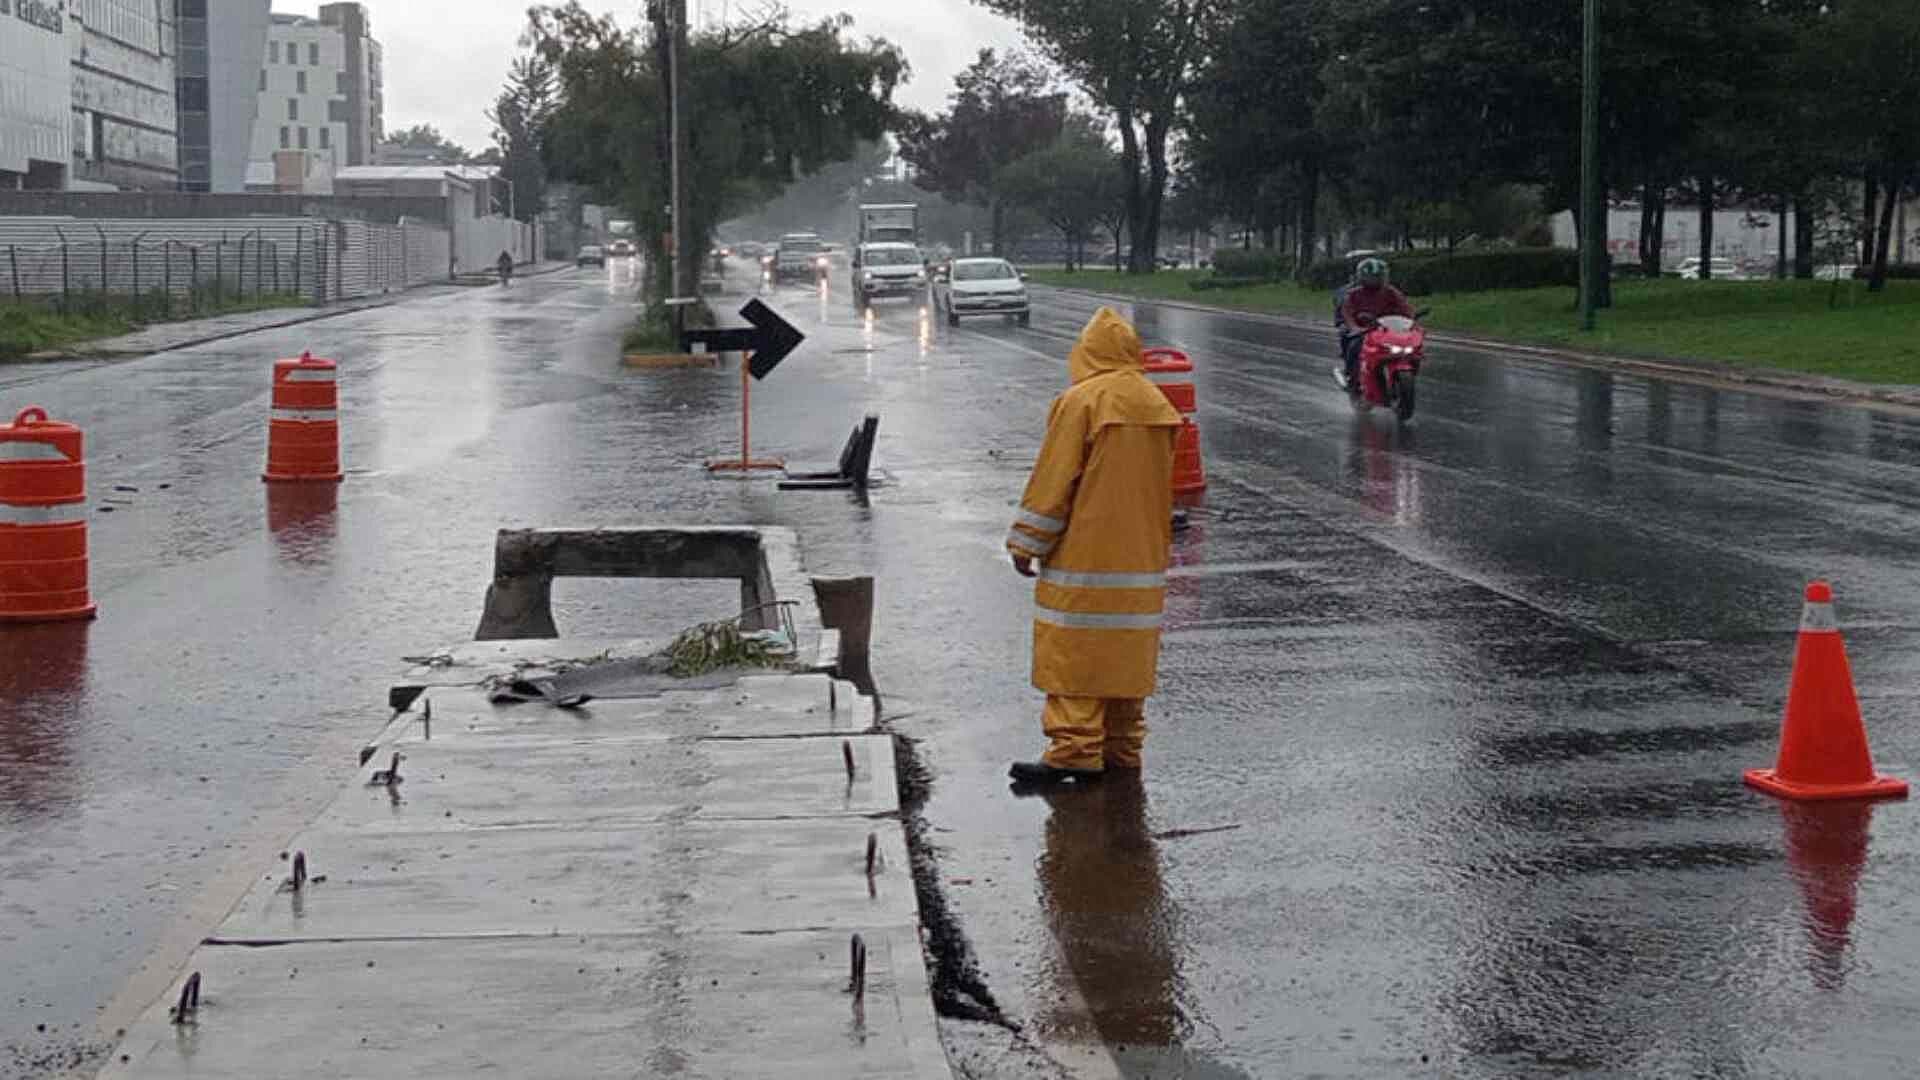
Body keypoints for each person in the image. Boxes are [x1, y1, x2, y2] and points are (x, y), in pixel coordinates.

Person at [1006, 307, 1182, 787]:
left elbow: (1054, 481)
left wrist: (1025, 542)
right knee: (1125, 652)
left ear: (1087, 352)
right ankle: (1122, 748)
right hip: (1141, 557)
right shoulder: (1156, 403)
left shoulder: (1082, 402)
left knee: (1075, 654)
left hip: (1085, 555)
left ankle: (1075, 750)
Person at [1337, 257, 1414, 390]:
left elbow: (1405, 307)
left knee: (1409, 345)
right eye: (1371, 277)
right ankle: (1351, 376)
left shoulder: (1391, 292)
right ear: (1361, 277)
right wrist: (1354, 327)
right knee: (1354, 346)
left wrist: (1411, 321)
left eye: (1378, 276)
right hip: (1363, 330)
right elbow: (1347, 313)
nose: (1375, 280)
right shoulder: (1353, 294)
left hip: (1387, 329)